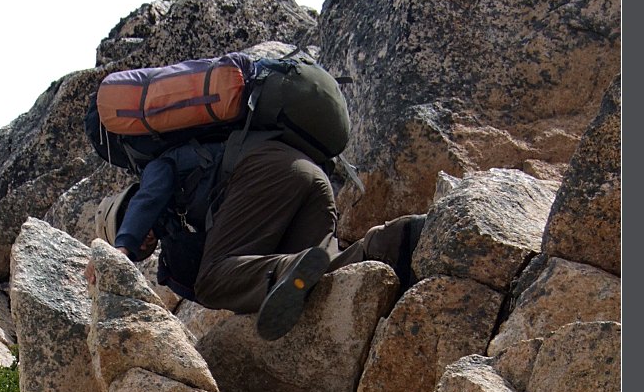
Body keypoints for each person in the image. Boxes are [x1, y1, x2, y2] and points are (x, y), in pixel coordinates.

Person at [88, 130, 425, 341]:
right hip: (310, 176)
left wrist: (121, 249)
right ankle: (393, 241)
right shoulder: (181, 223)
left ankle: (290, 269)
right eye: (142, 250)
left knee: (212, 280)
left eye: (130, 226)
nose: (144, 242)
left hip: (263, 171)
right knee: (328, 282)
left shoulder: (157, 170)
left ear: (129, 206)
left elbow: (149, 199)